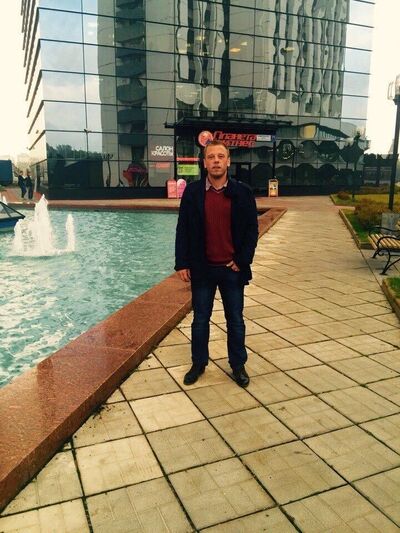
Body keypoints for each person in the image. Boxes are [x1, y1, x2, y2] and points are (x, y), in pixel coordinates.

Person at [175, 140, 258, 387]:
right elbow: (183, 229)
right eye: (211, 157)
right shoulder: (193, 192)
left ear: (228, 161)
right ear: (204, 163)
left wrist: (242, 260)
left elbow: (251, 230)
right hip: (203, 269)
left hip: (232, 270)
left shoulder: (243, 192)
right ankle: (198, 363)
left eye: (221, 156)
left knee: (235, 320)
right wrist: (182, 263)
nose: (216, 161)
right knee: (200, 320)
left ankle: (238, 365)